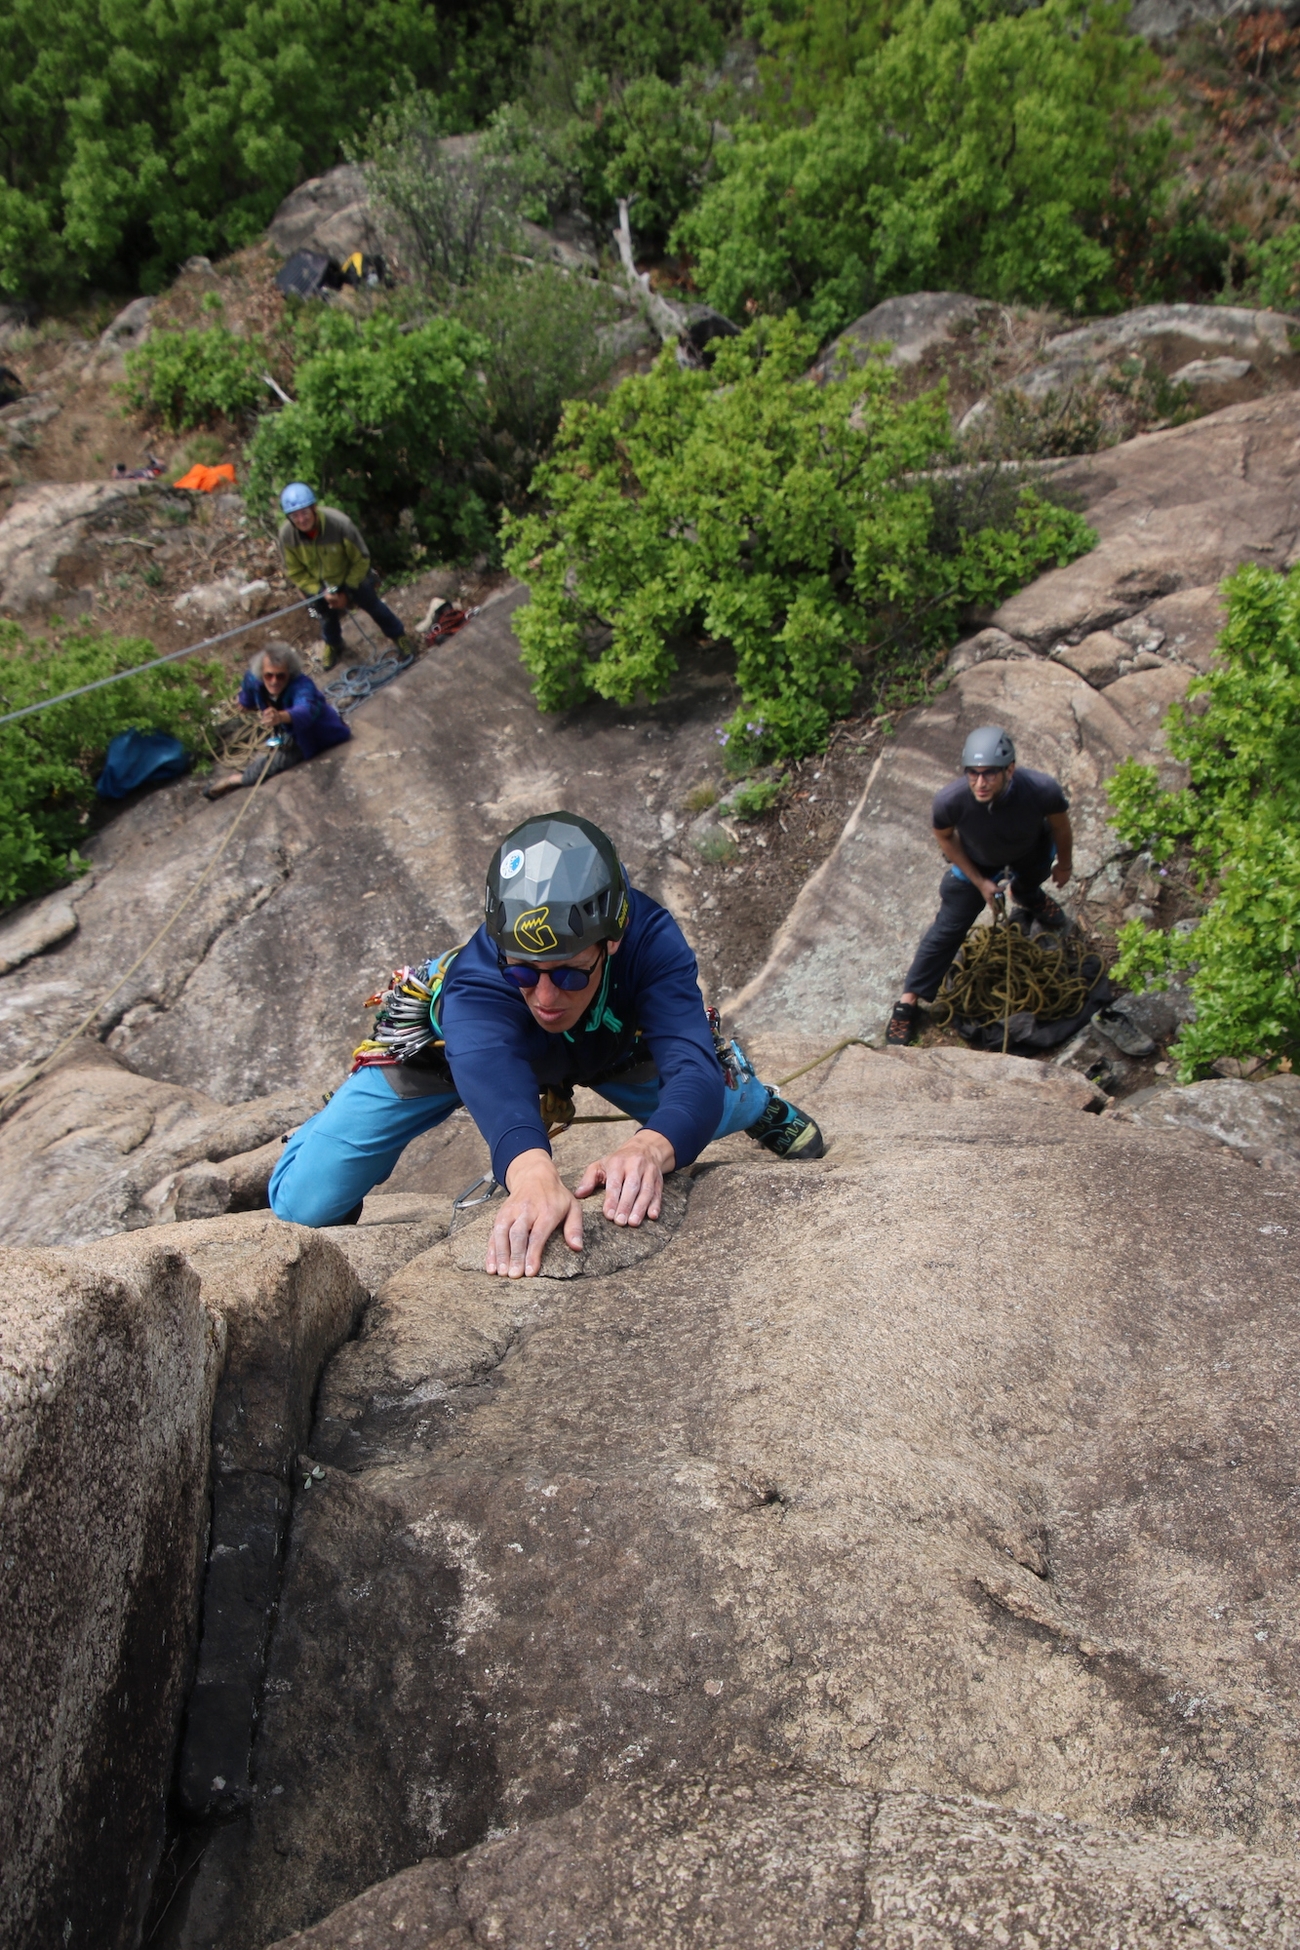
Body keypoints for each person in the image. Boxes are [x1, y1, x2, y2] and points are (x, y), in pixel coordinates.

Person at [270, 812, 827, 1275]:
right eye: (524, 973)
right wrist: (533, 1174)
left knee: (717, 1106)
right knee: (305, 1202)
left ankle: (760, 1103)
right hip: (448, 1054)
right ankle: (318, 1133)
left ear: (609, 943)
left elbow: (690, 1069)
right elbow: (492, 1076)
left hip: (608, 1040)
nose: (543, 997)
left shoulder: (650, 940)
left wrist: (652, 1145)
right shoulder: (478, 980)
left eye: (567, 973)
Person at [886, 725, 1074, 1047]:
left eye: (989, 774)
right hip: (978, 859)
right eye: (973, 773)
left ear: (1009, 770)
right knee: (948, 926)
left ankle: (1027, 895)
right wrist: (980, 882)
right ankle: (909, 1002)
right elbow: (945, 838)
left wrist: (1065, 864)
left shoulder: (1042, 790)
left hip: (1030, 849)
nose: (980, 782)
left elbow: (1061, 827)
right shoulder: (951, 801)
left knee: (1033, 874)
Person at [278, 482, 416, 671]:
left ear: (314, 508)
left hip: (351, 575)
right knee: (326, 617)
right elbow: (295, 572)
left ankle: (399, 635)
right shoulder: (287, 535)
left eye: (305, 513)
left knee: (373, 605)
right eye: (295, 516)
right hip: (319, 584)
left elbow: (361, 559)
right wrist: (320, 592)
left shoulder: (340, 525)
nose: (301, 520)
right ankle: (333, 644)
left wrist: (348, 591)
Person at [203, 641, 351, 800]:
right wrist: (245, 702)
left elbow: (305, 711)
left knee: (272, 763)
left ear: (290, 673)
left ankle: (236, 779)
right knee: (273, 745)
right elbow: (248, 683)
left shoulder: (303, 686)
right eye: (269, 675)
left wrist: (280, 716)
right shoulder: (255, 678)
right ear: (262, 673)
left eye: (281, 676)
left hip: (313, 735)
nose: (274, 681)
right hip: (286, 730)